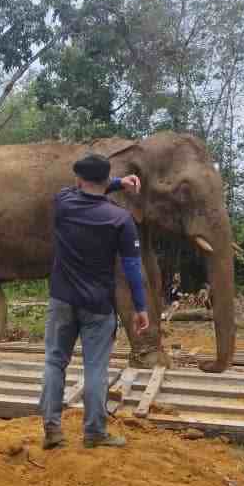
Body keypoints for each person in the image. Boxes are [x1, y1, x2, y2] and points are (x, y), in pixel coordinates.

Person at [39, 155, 147, 450]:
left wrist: (116, 184)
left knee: (54, 362)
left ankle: (52, 430)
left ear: (78, 180)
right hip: (98, 306)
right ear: (105, 179)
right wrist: (140, 308)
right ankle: (94, 432)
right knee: (95, 367)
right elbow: (133, 269)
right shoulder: (119, 219)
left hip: (62, 299)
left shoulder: (63, 203)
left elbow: (83, 188)